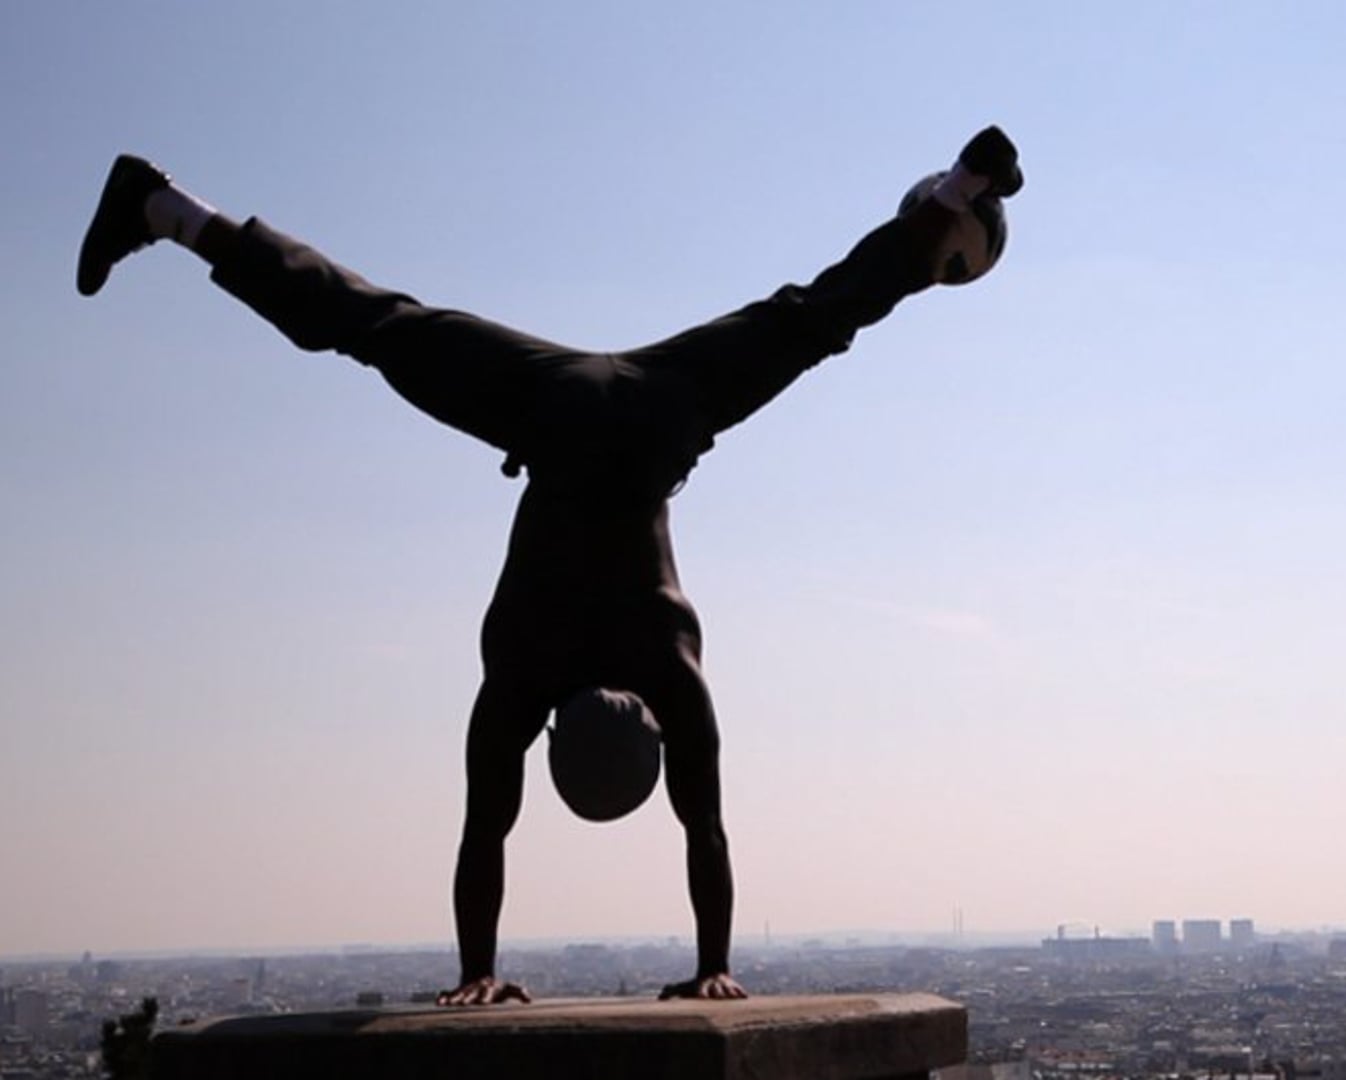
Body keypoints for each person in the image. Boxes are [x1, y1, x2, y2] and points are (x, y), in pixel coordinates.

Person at [75, 127, 1024, 1005]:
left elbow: (699, 831)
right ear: (561, 739)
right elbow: (493, 827)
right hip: (565, 409)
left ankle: (953, 196)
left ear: (643, 733)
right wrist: (482, 972)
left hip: (644, 405)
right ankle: (167, 209)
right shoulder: (536, 659)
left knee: (812, 319)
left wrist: (714, 965)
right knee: (374, 326)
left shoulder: (660, 660)